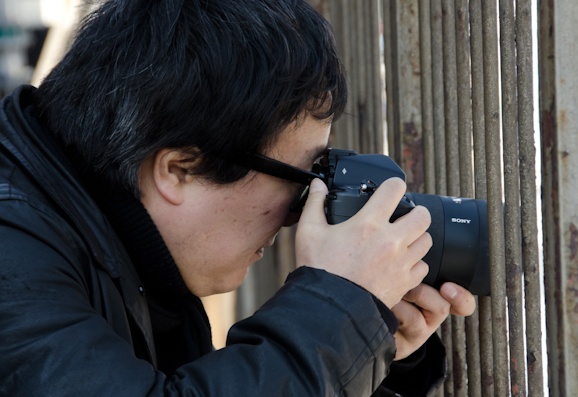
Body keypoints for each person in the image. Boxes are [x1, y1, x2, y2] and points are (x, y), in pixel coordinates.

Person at [0, 1, 476, 395]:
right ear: (178, 170)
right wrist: (336, 311)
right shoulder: (12, 252)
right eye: (301, 180)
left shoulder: (113, 248)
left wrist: (366, 351)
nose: (306, 210)